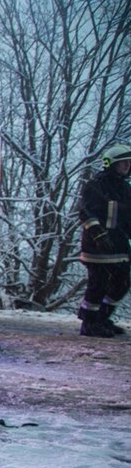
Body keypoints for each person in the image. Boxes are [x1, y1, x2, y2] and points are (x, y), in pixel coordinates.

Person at [75, 143, 131, 337]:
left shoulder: (124, 188)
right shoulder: (96, 185)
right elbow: (85, 212)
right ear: (111, 164)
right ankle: (89, 323)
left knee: (122, 283)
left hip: (119, 246)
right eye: (123, 162)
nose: (127, 166)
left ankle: (102, 318)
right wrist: (98, 234)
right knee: (98, 284)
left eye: (129, 163)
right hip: (97, 246)